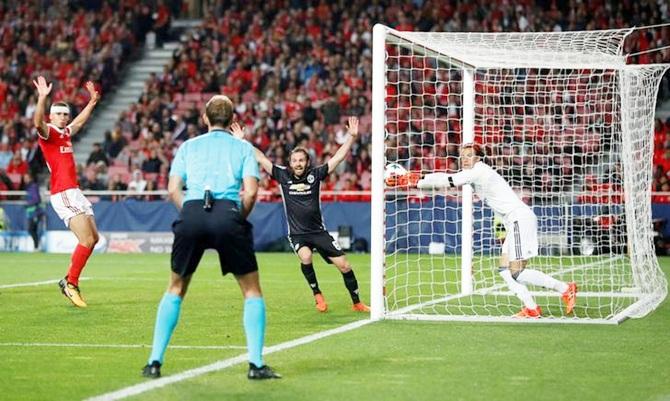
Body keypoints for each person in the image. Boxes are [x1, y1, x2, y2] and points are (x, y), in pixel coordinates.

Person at [142, 95, 280, 380]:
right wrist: (236, 217)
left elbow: (172, 189)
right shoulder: (243, 147)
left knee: (175, 288)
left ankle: (154, 361)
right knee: (251, 291)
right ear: (232, 121)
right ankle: (255, 364)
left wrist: (190, 211)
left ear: (204, 118)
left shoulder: (188, 147)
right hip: (228, 213)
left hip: (192, 211)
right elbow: (252, 192)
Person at [417, 143, 577, 318]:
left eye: (469, 155)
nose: (465, 159)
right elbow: (448, 177)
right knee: (504, 269)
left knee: (516, 272)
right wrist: (419, 178)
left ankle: (565, 288)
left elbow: (449, 180)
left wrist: (416, 181)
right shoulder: (475, 172)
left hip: (518, 219)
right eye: (463, 155)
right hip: (515, 220)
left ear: (478, 158)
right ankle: (531, 308)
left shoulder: (479, 170)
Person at [231, 117, 369, 313]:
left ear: (307, 162)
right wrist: (242, 141)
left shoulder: (316, 175)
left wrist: (351, 138)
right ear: (290, 163)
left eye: (301, 160)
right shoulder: (282, 176)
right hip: (298, 234)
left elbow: (337, 158)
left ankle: (357, 302)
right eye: (294, 160)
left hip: (319, 232)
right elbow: (261, 158)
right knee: (306, 258)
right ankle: (317, 295)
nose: (298, 163)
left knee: (345, 266)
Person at [33, 76, 101, 308]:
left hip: (74, 191)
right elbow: (37, 124)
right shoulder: (49, 132)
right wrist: (42, 98)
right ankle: (71, 284)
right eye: (58, 114)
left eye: (65, 114)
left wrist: (92, 102)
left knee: (94, 239)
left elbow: (79, 124)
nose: (63, 117)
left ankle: (69, 281)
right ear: (51, 116)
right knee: (87, 239)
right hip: (63, 193)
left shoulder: (64, 133)